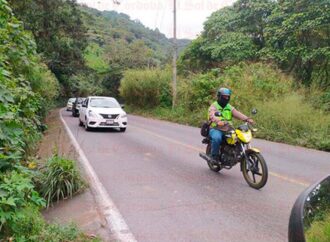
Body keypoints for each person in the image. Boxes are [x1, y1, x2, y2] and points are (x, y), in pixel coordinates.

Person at [208, 87, 254, 162]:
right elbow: (212, 115)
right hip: (216, 129)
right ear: (219, 96)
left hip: (228, 129)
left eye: (227, 97)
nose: (226, 98)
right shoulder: (214, 106)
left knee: (239, 137)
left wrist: (247, 119)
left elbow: (237, 114)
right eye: (224, 96)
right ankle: (214, 157)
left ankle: (236, 154)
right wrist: (218, 121)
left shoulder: (229, 107)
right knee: (217, 138)